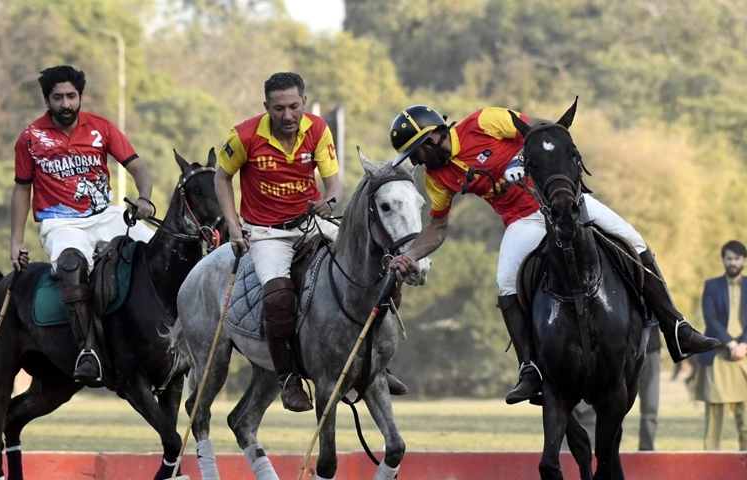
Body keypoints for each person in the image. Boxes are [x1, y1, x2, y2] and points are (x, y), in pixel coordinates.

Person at [386, 104, 719, 404]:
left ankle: (676, 327)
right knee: (505, 282)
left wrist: (521, 158)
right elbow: (437, 228)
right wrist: (410, 255)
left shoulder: (483, 122)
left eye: (415, 153)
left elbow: (548, 128)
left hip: (564, 202)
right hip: (523, 221)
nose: (415, 161)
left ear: (431, 138)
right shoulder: (436, 179)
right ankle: (530, 369)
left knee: (633, 240)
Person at [216, 72, 408, 412]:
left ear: (304, 101)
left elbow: (333, 183)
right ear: (266, 107)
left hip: (313, 222)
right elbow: (222, 178)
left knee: (377, 269)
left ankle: (377, 363)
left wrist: (330, 203)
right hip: (267, 232)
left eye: (293, 106)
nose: (287, 116)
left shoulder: (317, 129)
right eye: (278, 108)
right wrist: (234, 227)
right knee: (278, 299)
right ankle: (288, 378)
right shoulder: (244, 136)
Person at [10, 65, 155, 386]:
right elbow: (22, 189)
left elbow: (138, 167)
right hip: (61, 223)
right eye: (58, 97)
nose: (66, 104)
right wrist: (16, 241)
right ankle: (88, 350)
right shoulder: (30, 138)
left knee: (156, 250)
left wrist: (144, 198)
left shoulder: (101, 128)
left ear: (80, 97)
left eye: (71, 96)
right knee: (72, 264)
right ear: (47, 100)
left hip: (107, 215)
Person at [699, 240, 747, 450]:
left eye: (737, 258)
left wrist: (744, 345)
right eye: (729, 258)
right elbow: (710, 319)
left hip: (745, 359)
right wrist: (731, 344)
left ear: (744, 261)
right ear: (723, 260)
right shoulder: (711, 286)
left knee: (746, 425)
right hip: (719, 359)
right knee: (714, 426)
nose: (733, 262)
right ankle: (709, 470)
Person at [638, 323, 661, 450]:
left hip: (651, 350)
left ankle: (646, 452)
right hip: (623, 349)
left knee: (651, 406)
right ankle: (611, 452)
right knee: (616, 408)